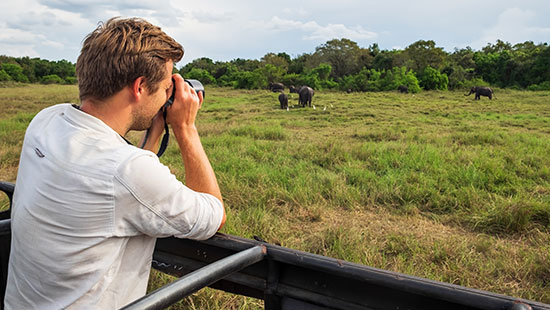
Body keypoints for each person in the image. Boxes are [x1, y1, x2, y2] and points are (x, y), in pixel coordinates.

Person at [4, 17, 225, 309]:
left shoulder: (46, 120)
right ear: (139, 88)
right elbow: (214, 214)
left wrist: (155, 131)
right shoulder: (127, 172)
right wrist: (186, 129)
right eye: (163, 88)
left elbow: (117, 174)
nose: (165, 96)